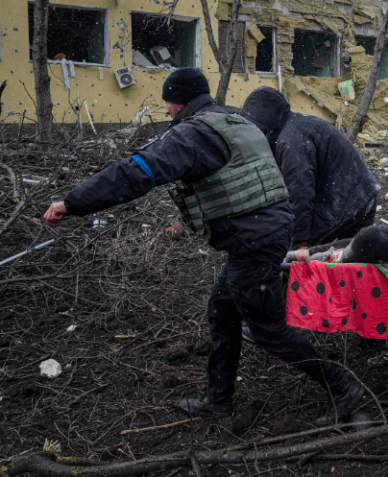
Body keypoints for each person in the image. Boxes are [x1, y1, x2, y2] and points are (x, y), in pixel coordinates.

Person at [43, 68, 362, 426]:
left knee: (267, 328)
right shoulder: (234, 118)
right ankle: (218, 399)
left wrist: (72, 203)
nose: (166, 112)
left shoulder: (194, 134)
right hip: (264, 232)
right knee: (222, 311)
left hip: (255, 239)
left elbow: (135, 172)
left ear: (179, 102)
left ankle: (342, 388)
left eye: (168, 103)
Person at [241, 87, 380, 260]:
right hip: (362, 194)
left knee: (300, 259)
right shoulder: (296, 125)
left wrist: (300, 242)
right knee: (354, 261)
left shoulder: (291, 140)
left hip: (345, 202)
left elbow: (299, 192)